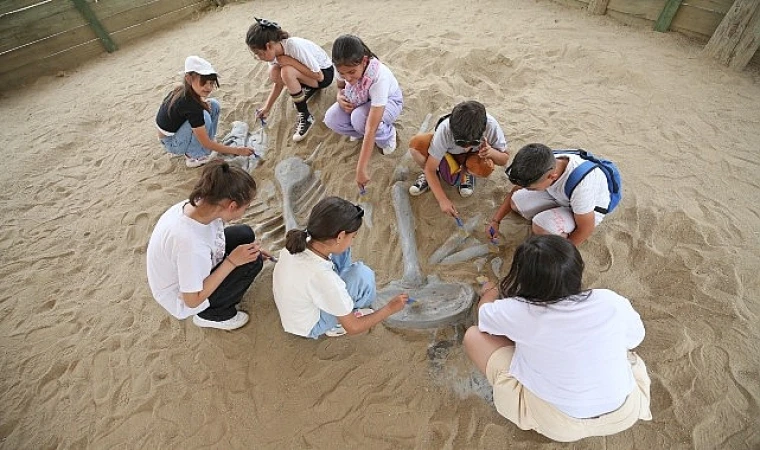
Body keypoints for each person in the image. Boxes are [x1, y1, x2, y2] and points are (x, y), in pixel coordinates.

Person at [463, 235, 652, 442]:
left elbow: (484, 317)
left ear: (523, 277)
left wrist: (489, 292)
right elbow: (635, 339)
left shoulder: (519, 311)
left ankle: (532, 417)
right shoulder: (609, 301)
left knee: (473, 337)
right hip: (625, 413)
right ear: (577, 269)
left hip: (560, 425)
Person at [147, 160, 272, 330]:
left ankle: (220, 295)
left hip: (188, 267)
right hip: (183, 296)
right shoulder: (190, 245)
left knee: (245, 235)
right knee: (253, 263)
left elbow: (211, 238)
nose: (245, 211)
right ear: (232, 206)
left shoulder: (199, 203)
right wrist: (232, 262)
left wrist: (242, 254)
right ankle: (213, 315)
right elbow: (191, 300)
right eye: (246, 207)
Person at [272, 196, 407, 338]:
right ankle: (336, 323)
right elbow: (354, 327)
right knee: (363, 277)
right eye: (353, 237)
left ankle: (340, 306)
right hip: (309, 325)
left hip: (296, 310)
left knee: (343, 251)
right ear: (340, 236)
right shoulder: (325, 279)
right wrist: (390, 308)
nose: (352, 241)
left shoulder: (302, 240)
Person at [488, 143, 613, 246]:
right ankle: (551, 214)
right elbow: (516, 189)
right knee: (516, 202)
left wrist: (563, 252)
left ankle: (559, 232)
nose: (527, 190)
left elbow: (586, 228)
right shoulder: (543, 164)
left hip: (587, 210)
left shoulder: (582, 187)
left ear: (552, 177)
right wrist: (496, 221)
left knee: (541, 226)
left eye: (532, 189)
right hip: (562, 196)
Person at [323, 34, 403, 191]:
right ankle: (360, 132)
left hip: (389, 101)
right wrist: (339, 97)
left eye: (352, 72)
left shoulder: (379, 77)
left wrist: (361, 169)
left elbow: (371, 127)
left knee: (360, 119)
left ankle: (388, 136)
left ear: (364, 61)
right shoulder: (344, 68)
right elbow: (340, 87)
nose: (348, 78)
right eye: (343, 73)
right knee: (331, 118)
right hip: (360, 99)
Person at [408, 101, 509, 218]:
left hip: (474, 156)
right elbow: (430, 169)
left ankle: (467, 173)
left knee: (485, 167)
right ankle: (432, 178)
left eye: (473, 142)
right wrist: (442, 200)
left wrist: (491, 152)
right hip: (449, 155)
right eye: (460, 142)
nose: (465, 146)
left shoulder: (491, 125)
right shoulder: (445, 129)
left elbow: (504, 159)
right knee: (416, 145)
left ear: (484, 128)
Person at [155, 56, 255, 168]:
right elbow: (205, 142)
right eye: (203, 82)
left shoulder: (185, 90)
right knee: (204, 116)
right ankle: (194, 156)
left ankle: (204, 147)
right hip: (172, 143)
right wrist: (237, 151)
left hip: (175, 132)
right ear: (189, 79)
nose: (208, 87)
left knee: (213, 104)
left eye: (211, 83)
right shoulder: (189, 104)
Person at [246, 18, 334, 142]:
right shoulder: (273, 54)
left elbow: (319, 76)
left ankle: (306, 117)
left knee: (287, 71)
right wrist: (267, 107)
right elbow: (278, 83)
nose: (259, 57)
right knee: (274, 72)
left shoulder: (292, 46)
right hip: (311, 77)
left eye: (259, 53)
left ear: (269, 46)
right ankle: (307, 90)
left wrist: (290, 61)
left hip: (325, 73)